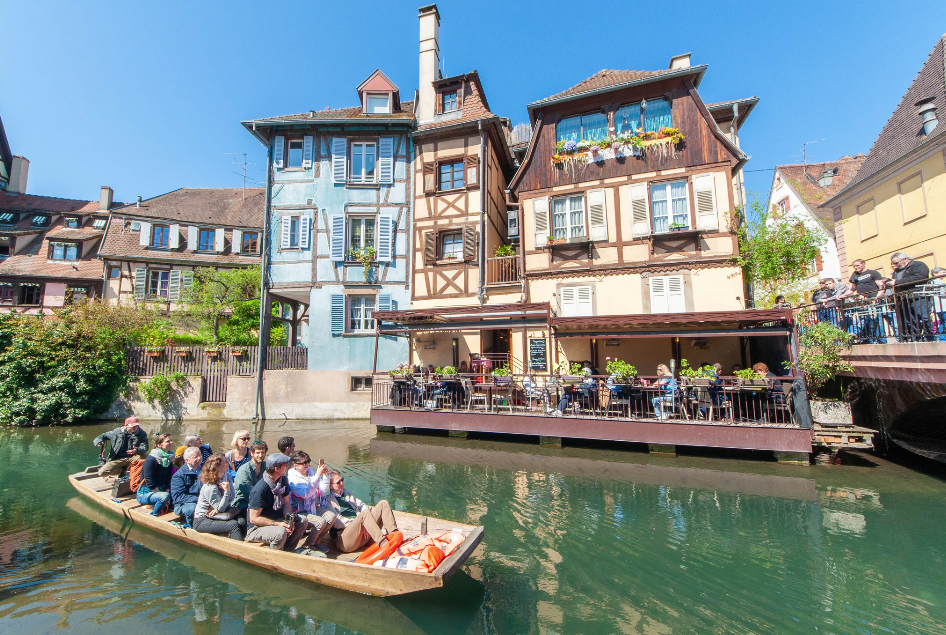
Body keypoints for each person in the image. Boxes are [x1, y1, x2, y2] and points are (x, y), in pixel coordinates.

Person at [245, 453, 309, 552]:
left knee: (303, 520)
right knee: (281, 532)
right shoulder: (260, 489)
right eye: (285, 465)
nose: (288, 466)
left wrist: (288, 519)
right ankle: (275, 554)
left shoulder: (283, 480)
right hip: (257, 528)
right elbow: (254, 519)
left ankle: (288, 550)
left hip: (277, 519)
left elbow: (286, 503)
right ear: (277, 469)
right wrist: (277, 524)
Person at [327, 469, 399, 553]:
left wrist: (365, 524)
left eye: (342, 480)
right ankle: (384, 543)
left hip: (360, 536)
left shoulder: (347, 494)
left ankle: (395, 534)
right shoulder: (328, 501)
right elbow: (337, 522)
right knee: (364, 514)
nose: (342, 483)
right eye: (338, 482)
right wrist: (360, 524)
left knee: (383, 503)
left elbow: (362, 505)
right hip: (345, 540)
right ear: (330, 486)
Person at [286, 451, 336, 554]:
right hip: (300, 512)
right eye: (303, 463)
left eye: (308, 461)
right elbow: (306, 494)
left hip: (312, 507)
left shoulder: (311, 472)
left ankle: (316, 541)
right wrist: (317, 476)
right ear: (295, 465)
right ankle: (307, 545)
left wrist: (326, 476)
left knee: (331, 516)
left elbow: (322, 489)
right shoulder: (292, 478)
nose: (307, 465)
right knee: (320, 522)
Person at [193, 454, 245, 540]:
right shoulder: (210, 487)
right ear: (217, 467)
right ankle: (239, 549)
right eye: (224, 462)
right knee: (233, 525)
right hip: (203, 519)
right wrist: (227, 492)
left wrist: (224, 501)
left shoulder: (227, 476)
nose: (227, 462)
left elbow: (232, 498)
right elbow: (221, 508)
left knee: (242, 522)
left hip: (218, 514)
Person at [885, 252, 932, 341]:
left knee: (923, 317)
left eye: (896, 263)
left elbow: (918, 277)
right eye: (893, 263)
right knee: (910, 320)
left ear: (905, 259)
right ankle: (915, 338)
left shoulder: (919, 265)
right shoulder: (897, 271)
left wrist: (896, 282)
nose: (894, 265)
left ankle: (929, 337)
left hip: (918, 296)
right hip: (904, 298)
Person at [839, 259, 887, 343]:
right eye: (854, 266)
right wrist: (843, 295)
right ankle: (868, 339)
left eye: (857, 265)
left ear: (863, 264)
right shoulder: (854, 275)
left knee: (876, 319)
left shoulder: (873, 273)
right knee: (864, 320)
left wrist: (877, 297)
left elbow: (881, 286)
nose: (856, 267)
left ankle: (881, 339)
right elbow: (852, 289)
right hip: (862, 301)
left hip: (873, 299)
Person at [137, 433, 175, 516]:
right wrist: (163, 495)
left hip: (162, 491)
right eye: (167, 441)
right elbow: (149, 482)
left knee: (174, 501)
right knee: (164, 497)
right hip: (147, 492)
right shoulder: (151, 460)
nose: (171, 443)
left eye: (171, 441)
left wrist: (167, 491)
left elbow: (168, 477)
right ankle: (154, 515)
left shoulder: (169, 458)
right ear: (159, 445)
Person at [170, 447, 203, 527]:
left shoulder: (204, 470)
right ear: (187, 460)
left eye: (200, 455)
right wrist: (199, 499)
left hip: (202, 500)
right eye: (195, 457)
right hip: (184, 504)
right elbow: (178, 496)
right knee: (192, 508)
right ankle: (192, 525)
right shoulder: (178, 476)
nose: (199, 458)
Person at [233, 440, 268, 511]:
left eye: (263, 453)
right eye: (258, 453)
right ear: (252, 453)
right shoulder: (244, 470)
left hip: (261, 500)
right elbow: (249, 493)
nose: (260, 455)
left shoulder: (267, 467)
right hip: (243, 502)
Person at [931, 267, 946, 342]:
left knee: (942, 322)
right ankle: (943, 338)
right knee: (944, 321)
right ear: (935, 273)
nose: (944, 274)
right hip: (943, 306)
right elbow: (943, 293)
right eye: (942, 272)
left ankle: (942, 338)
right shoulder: (939, 283)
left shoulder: (932, 282)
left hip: (938, 307)